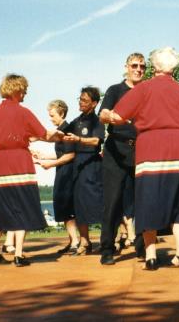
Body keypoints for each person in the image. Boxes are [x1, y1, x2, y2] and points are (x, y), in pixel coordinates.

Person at [104, 47, 179, 270]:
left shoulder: (145, 88)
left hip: (152, 145)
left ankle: (151, 256)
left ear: (154, 66)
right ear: (173, 67)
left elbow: (118, 117)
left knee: (149, 199)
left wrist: (108, 115)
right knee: (178, 200)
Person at [0, 74, 63, 267]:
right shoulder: (23, 112)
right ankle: (19, 253)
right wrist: (60, 137)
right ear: (17, 89)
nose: (26, 92)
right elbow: (44, 134)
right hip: (19, 162)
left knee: (3, 208)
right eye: (24, 89)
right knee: (24, 205)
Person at [97, 52, 146, 266]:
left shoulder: (148, 91)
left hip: (143, 150)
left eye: (142, 67)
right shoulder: (115, 90)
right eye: (134, 65)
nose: (138, 69)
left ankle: (144, 246)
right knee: (113, 201)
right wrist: (115, 117)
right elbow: (103, 114)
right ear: (126, 67)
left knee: (144, 200)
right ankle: (107, 248)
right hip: (115, 150)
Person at [31, 99, 79, 254]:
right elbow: (60, 154)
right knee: (63, 206)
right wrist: (41, 158)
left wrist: (50, 165)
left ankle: (76, 242)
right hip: (62, 172)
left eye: (52, 115)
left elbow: (70, 155)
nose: (50, 119)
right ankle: (72, 240)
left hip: (68, 173)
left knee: (67, 206)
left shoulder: (68, 129)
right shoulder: (61, 130)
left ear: (62, 113)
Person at [64, 87, 105, 255]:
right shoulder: (76, 121)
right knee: (79, 203)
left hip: (93, 165)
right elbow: (63, 135)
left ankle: (106, 240)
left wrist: (79, 139)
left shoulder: (97, 121)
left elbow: (97, 141)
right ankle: (85, 241)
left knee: (99, 202)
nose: (81, 103)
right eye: (80, 99)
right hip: (78, 165)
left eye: (85, 100)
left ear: (94, 103)